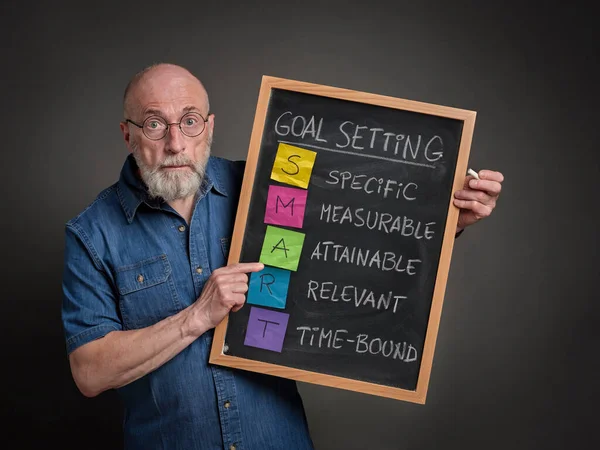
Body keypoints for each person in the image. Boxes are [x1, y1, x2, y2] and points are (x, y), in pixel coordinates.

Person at [61, 63, 504, 449]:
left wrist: (448, 221)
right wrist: (197, 316)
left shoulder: (267, 188)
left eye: (190, 121)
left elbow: (355, 250)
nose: (176, 143)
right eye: (155, 124)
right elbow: (89, 371)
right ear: (128, 134)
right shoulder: (92, 234)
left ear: (209, 127)